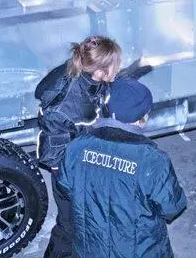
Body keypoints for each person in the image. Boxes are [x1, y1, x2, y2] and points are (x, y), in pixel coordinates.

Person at [57, 78, 187, 258]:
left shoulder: (76, 148)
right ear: (144, 116)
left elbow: (64, 186)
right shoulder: (153, 161)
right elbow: (172, 207)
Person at [35, 36, 123, 258]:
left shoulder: (86, 76)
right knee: (69, 226)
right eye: (116, 63)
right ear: (100, 70)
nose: (119, 66)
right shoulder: (68, 102)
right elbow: (53, 149)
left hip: (82, 160)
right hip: (69, 171)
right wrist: (70, 180)